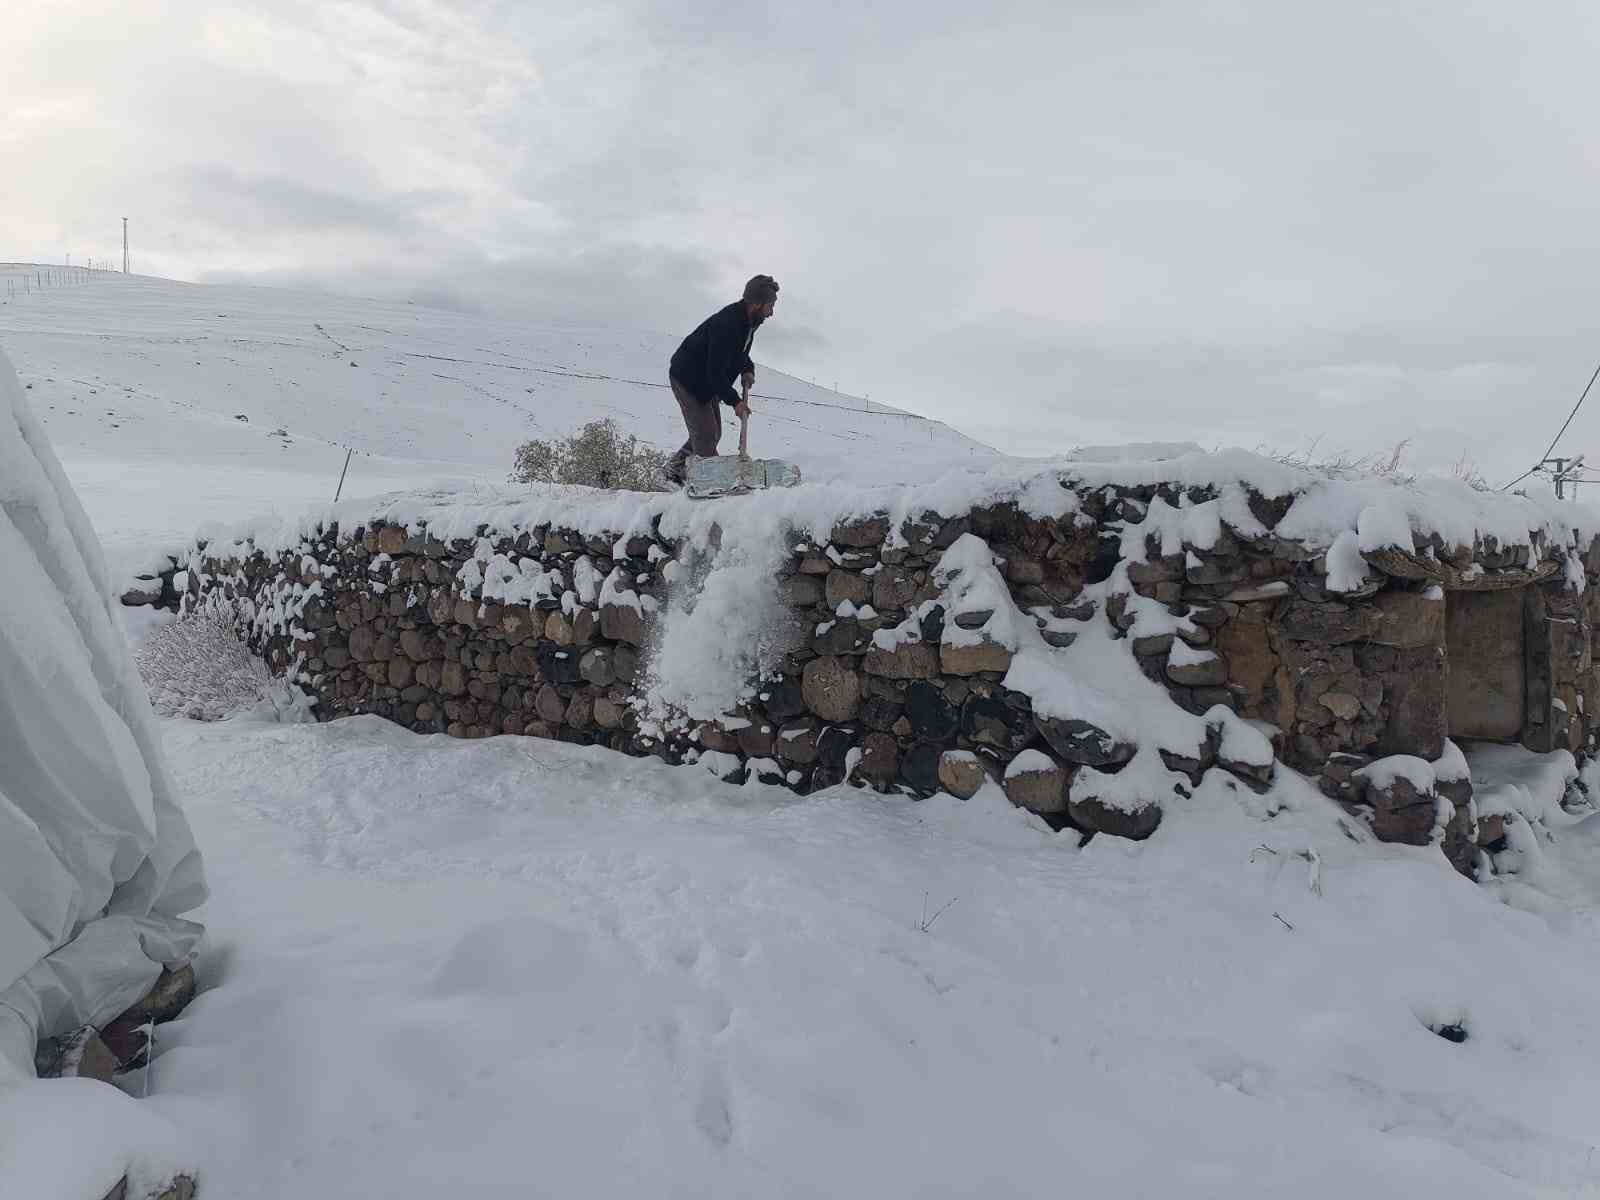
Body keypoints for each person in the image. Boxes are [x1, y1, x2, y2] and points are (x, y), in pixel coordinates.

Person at [664, 274, 779, 484]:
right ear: (756, 303)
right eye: (769, 306)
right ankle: (710, 487)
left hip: (706, 382)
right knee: (706, 437)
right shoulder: (727, 324)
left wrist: (748, 369)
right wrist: (736, 402)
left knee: (712, 432)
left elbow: (739, 353)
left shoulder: (748, 323)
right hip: (688, 379)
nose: (771, 313)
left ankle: (675, 469)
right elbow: (714, 372)